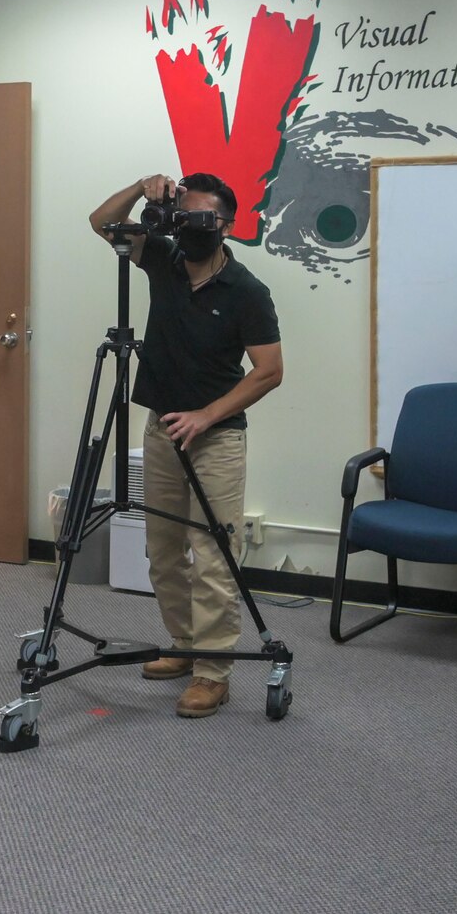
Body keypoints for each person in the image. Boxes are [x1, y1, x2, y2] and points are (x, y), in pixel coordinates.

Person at [89, 172, 283, 717]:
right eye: (184, 216)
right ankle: (184, 645)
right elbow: (102, 223)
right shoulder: (164, 260)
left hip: (216, 439)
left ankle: (213, 672)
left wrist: (207, 415)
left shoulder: (246, 292)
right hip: (161, 429)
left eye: (203, 219)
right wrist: (138, 188)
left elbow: (269, 371)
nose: (190, 229)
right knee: (165, 552)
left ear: (226, 226)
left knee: (214, 555)